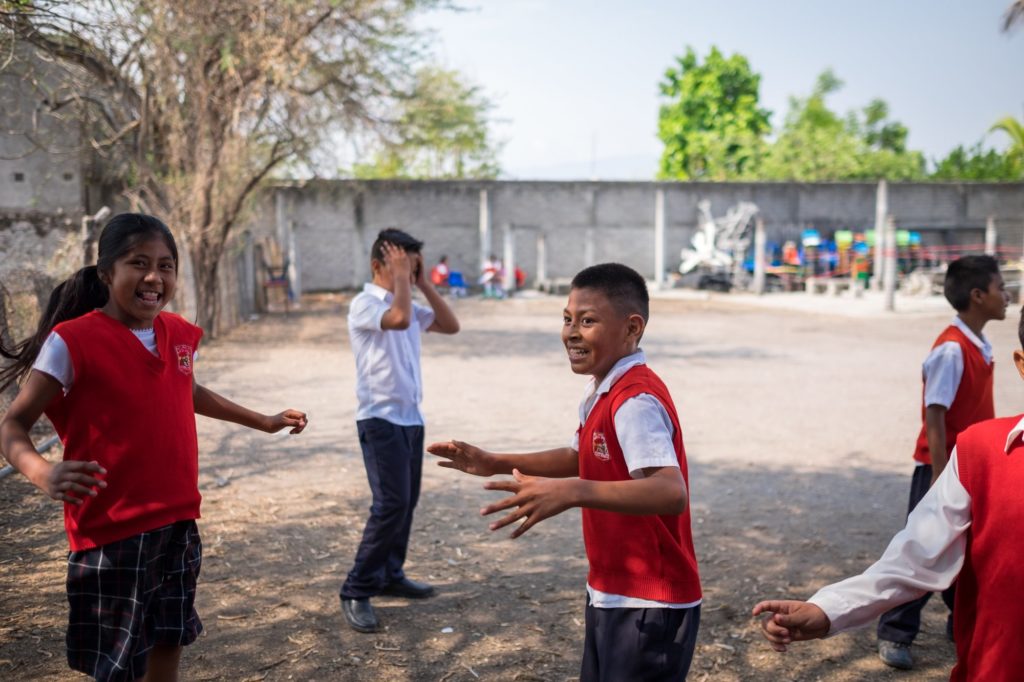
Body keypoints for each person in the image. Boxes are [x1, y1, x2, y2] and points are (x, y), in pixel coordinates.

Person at [0, 213, 308, 682]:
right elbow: (13, 425)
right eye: (138, 263)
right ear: (106, 273)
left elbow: (186, 389)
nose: (153, 277)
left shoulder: (179, 333)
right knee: (116, 662)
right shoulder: (73, 341)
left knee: (170, 634)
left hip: (178, 519)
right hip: (110, 529)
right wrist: (42, 473)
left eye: (166, 266)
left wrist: (263, 421)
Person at [428, 262, 701, 681]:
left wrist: (572, 491)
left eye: (588, 321)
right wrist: (494, 461)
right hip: (616, 591)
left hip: (650, 602)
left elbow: (669, 491)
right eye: (567, 319)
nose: (571, 333)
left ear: (632, 328)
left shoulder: (634, 401)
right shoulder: (604, 389)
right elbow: (581, 456)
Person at [753, 303, 1024, 682]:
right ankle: (896, 634)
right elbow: (915, 557)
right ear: (1023, 364)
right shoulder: (983, 452)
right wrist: (828, 609)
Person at [870, 255, 1007, 669]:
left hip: (967, 467)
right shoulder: (951, 349)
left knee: (967, 548)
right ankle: (894, 631)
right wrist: (938, 474)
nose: (1008, 296)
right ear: (978, 296)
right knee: (926, 550)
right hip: (943, 468)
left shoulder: (979, 343)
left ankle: (960, 619)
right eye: (1001, 288)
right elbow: (934, 415)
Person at [340, 227, 460, 633]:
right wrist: (404, 283)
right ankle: (356, 588)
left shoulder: (406, 297)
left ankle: (390, 574)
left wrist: (422, 281)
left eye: (413, 266)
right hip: (379, 418)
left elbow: (449, 324)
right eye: (401, 266)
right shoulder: (364, 305)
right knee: (390, 503)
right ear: (379, 266)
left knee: (405, 503)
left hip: (410, 418)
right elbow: (400, 317)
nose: (408, 274)